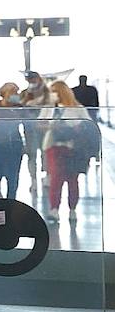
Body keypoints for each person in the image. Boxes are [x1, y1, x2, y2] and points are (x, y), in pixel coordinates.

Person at [41, 81, 100, 223]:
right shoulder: (49, 108)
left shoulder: (77, 108)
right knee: (56, 178)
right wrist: (51, 125)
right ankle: (54, 209)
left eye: (54, 91)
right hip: (53, 146)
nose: (52, 95)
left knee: (72, 179)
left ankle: (72, 208)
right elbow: (40, 123)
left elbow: (87, 125)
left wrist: (73, 128)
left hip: (72, 148)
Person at [20, 71, 56, 197]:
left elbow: (51, 107)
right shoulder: (25, 93)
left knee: (45, 153)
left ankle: (47, 175)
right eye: (29, 80)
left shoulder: (47, 92)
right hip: (30, 129)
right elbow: (21, 107)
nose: (31, 82)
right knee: (32, 154)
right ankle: (33, 179)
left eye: (32, 79)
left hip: (45, 128)